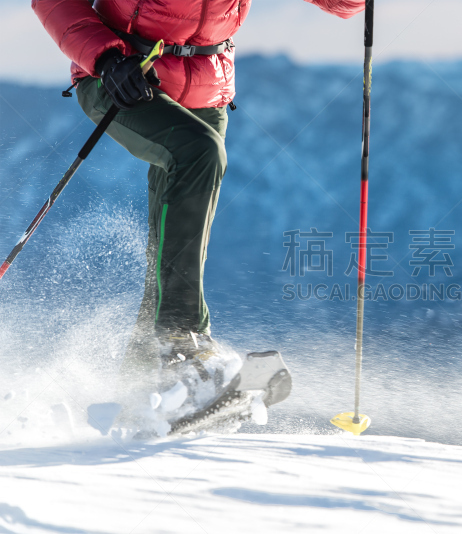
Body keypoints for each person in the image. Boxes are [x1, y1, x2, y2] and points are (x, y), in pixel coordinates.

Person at [32, 0, 365, 411]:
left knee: (169, 260)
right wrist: (105, 57)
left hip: (207, 89)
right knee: (200, 153)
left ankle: (137, 399)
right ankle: (180, 343)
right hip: (125, 75)